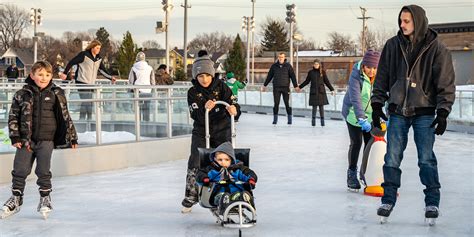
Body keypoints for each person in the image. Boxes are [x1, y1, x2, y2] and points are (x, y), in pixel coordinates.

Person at [371, 5, 455, 221]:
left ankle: (432, 203)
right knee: (391, 157)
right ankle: (388, 199)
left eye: (406, 21)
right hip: (398, 109)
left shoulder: (437, 48)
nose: (402, 25)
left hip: (424, 111)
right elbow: (381, 77)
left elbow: (445, 82)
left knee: (426, 159)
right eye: (400, 20)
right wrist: (377, 104)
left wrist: (443, 111)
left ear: (417, 21)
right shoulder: (392, 45)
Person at [1, 61, 78, 219]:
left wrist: (72, 136)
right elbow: (13, 116)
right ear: (32, 75)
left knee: (43, 171)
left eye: (48, 75)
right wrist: (15, 136)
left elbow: (65, 116)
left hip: (46, 140)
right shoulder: (22, 94)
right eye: (40, 74)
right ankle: (16, 198)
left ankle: (45, 198)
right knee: (20, 170)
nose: (44, 78)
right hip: (25, 140)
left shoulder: (57, 93)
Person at [181, 50, 239, 213]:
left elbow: (234, 104)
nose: (204, 79)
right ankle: (192, 193)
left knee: (224, 159)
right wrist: (203, 108)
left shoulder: (222, 87)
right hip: (201, 130)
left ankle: (226, 192)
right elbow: (194, 113)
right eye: (200, 76)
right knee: (196, 158)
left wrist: (234, 109)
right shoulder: (193, 92)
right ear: (196, 77)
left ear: (212, 74)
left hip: (222, 128)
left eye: (207, 75)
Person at [341, 50, 381, 190]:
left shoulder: (381, 77)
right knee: (356, 142)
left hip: (371, 115)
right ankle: (352, 173)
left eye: (375, 68)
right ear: (364, 65)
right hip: (353, 114)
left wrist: (386, 115)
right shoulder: (356, 76)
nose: (371, 71)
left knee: (369, 144)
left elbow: (384, 96)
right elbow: (355, 99)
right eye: (369, 67)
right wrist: (361, 118)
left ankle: (365, 173)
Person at [59, 40, 116, 120]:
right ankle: (82, 119)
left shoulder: (98, 58)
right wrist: (65, 73)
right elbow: (72, 62)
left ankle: (88, 119)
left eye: (99, 48)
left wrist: (110, 78)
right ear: (92, 47)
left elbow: (102, 70)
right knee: (86, 101)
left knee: (90, 102)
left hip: (91, 84)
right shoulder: (84, 55)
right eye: (97, 48)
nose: (98, 50)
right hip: (81, 81)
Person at [196, 142, 257, 213]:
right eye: (220, 160)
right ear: (215, 159)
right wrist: (204, 178)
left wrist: (251, 179)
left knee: (240, 195)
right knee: (222, 197)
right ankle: (223, 203)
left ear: (231, 160)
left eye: (226, 160)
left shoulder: (237, 169)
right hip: (218, 193)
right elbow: (200, 174)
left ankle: (245, 198)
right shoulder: (212, 169)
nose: (223, 162)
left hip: (236, 191)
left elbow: (248, 173)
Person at [261, 53, 300, 125]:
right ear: (278, 58)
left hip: (285, 88)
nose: (281, 58)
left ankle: (289, 119)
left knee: (287, 104)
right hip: (276, 88)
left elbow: (293, 77)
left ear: (284, 57)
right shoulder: (274, 66)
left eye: (282, 57)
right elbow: (269, 76)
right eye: (279, 57)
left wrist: (296, 86)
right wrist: (264, 85)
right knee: (276, 104)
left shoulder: (288, 66)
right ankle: (275, 120)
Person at [297, 59, 335, 126]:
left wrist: (332, 89)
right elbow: (307, 81)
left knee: (321, 107)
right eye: (315, 64)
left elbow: (326, 81)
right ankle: (313, 122)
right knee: (314, 107)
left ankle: (322, 122)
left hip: (321, 92)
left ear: (319, 65)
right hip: (314, 92)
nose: (316, 65)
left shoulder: (322, 72)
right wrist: (299, 87)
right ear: (313, 65)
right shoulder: (310, 72)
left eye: (317, 64)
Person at [128, 52, 155, 121]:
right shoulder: (150, 68)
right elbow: (152, 81)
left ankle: (138, 123)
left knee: (138, 108)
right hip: (148, 91)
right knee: (147, 108)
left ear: (137, 59)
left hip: (137, 91)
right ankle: (146, 122)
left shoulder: (134, 68)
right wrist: (153, 90)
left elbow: (131, 81)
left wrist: (130, 90)